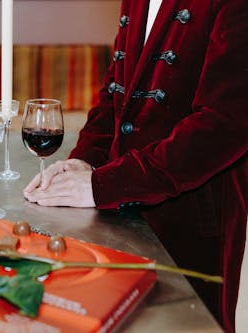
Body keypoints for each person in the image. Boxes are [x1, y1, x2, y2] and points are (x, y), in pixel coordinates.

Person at [24, 1, 247, 332]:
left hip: (191, 217)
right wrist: (84, 159)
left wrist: (103, 185)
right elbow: (115, 91)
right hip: (121, 213)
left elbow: (225, 124)